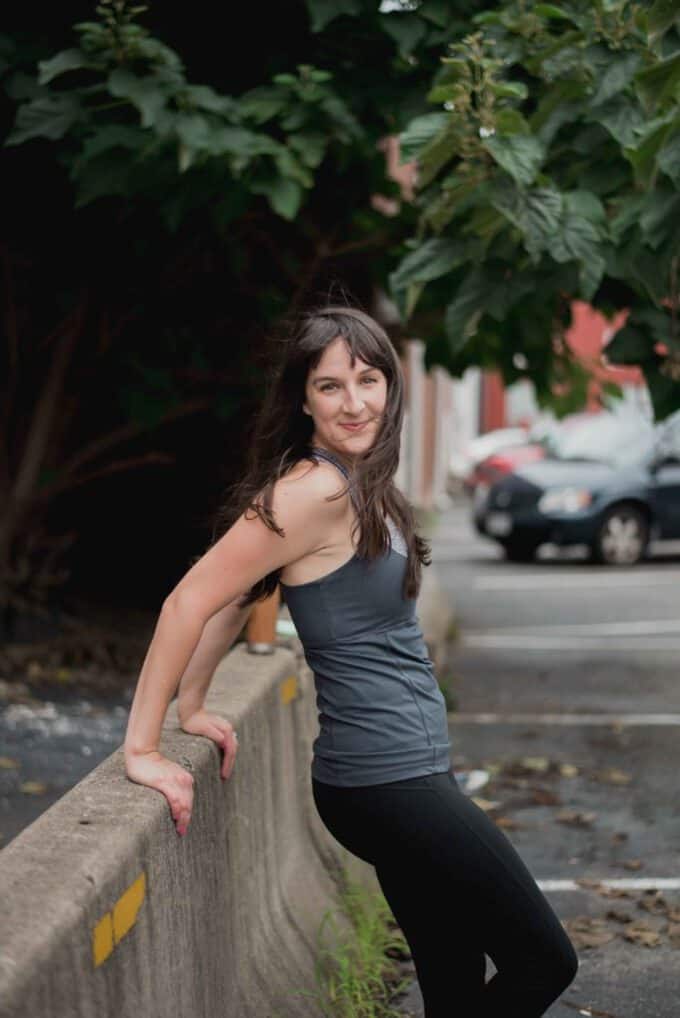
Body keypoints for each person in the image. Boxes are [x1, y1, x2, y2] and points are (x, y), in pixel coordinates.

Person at [124, 305, 578, 1016]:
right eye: (331, 385)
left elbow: (242, 597)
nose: (355, 401)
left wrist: (195, 704)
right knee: (544, 959)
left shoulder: (360, 482)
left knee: (454, 983)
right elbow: (188, 602)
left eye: (368, 379)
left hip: (404, 769)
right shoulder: (314, 492)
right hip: (385, 779)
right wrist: (144, 746)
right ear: (302, 398)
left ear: (391, 387)